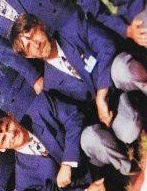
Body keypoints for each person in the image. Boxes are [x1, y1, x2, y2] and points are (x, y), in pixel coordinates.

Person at [9, 12, 145, 159]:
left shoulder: (72, 27)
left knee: (122, 69)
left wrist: (101, 93)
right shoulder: (50, 86)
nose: (36, 44)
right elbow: (82, 114)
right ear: (29, 56)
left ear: (40, 24)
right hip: (113, 109)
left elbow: (107, 46)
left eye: (32, 34)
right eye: (28, 46)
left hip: (121, 79)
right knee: (129, 132)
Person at [0, 95, 112, 191]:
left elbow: (74, 118)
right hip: (84, 188)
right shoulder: (23, 179)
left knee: (92, 137)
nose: (11, 134)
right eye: (4, 139)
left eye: (7, 126)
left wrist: (68, 162)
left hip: (93, 155)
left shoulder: (40, 106)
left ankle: (121, 168)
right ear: (0, 149)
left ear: (10, 116)